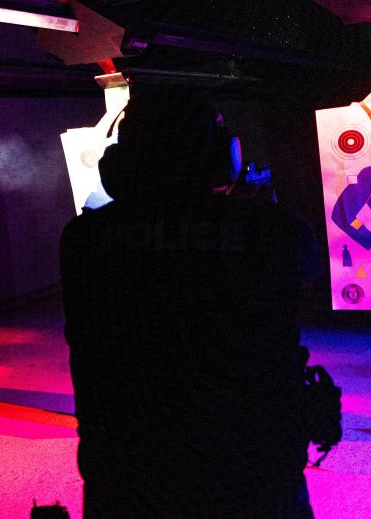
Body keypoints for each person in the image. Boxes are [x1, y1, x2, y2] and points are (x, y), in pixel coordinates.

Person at [60, 93, 316, 518]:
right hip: (253, 478)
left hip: (127, 481)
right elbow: (300, 277)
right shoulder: (272, 231)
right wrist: (251, 209)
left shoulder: (83, 239)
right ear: (221, 154)